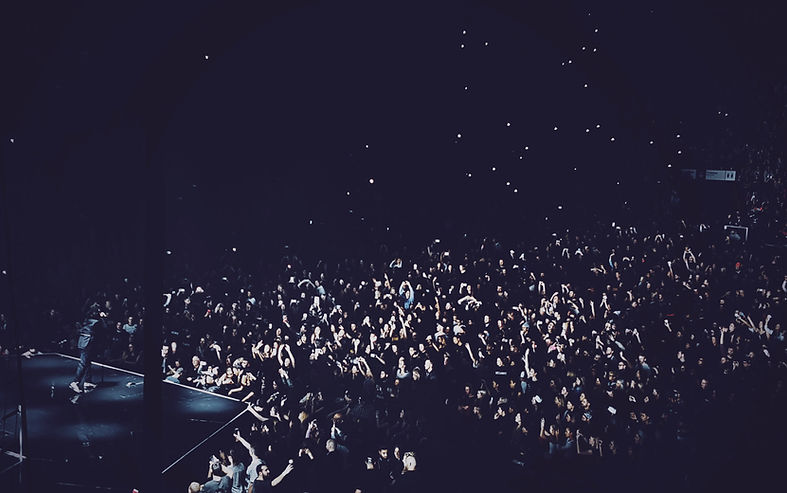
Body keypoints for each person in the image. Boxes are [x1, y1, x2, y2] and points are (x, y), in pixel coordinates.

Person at [70, 303, 108, 393]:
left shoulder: (87, 319)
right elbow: (105, 327)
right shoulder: (96, 322)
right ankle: (75, 382)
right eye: (98, 311)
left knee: (87, 362)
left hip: (83, 342)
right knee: (83, 363)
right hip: (87, 343)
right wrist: (103, 318)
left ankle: (87, 381)